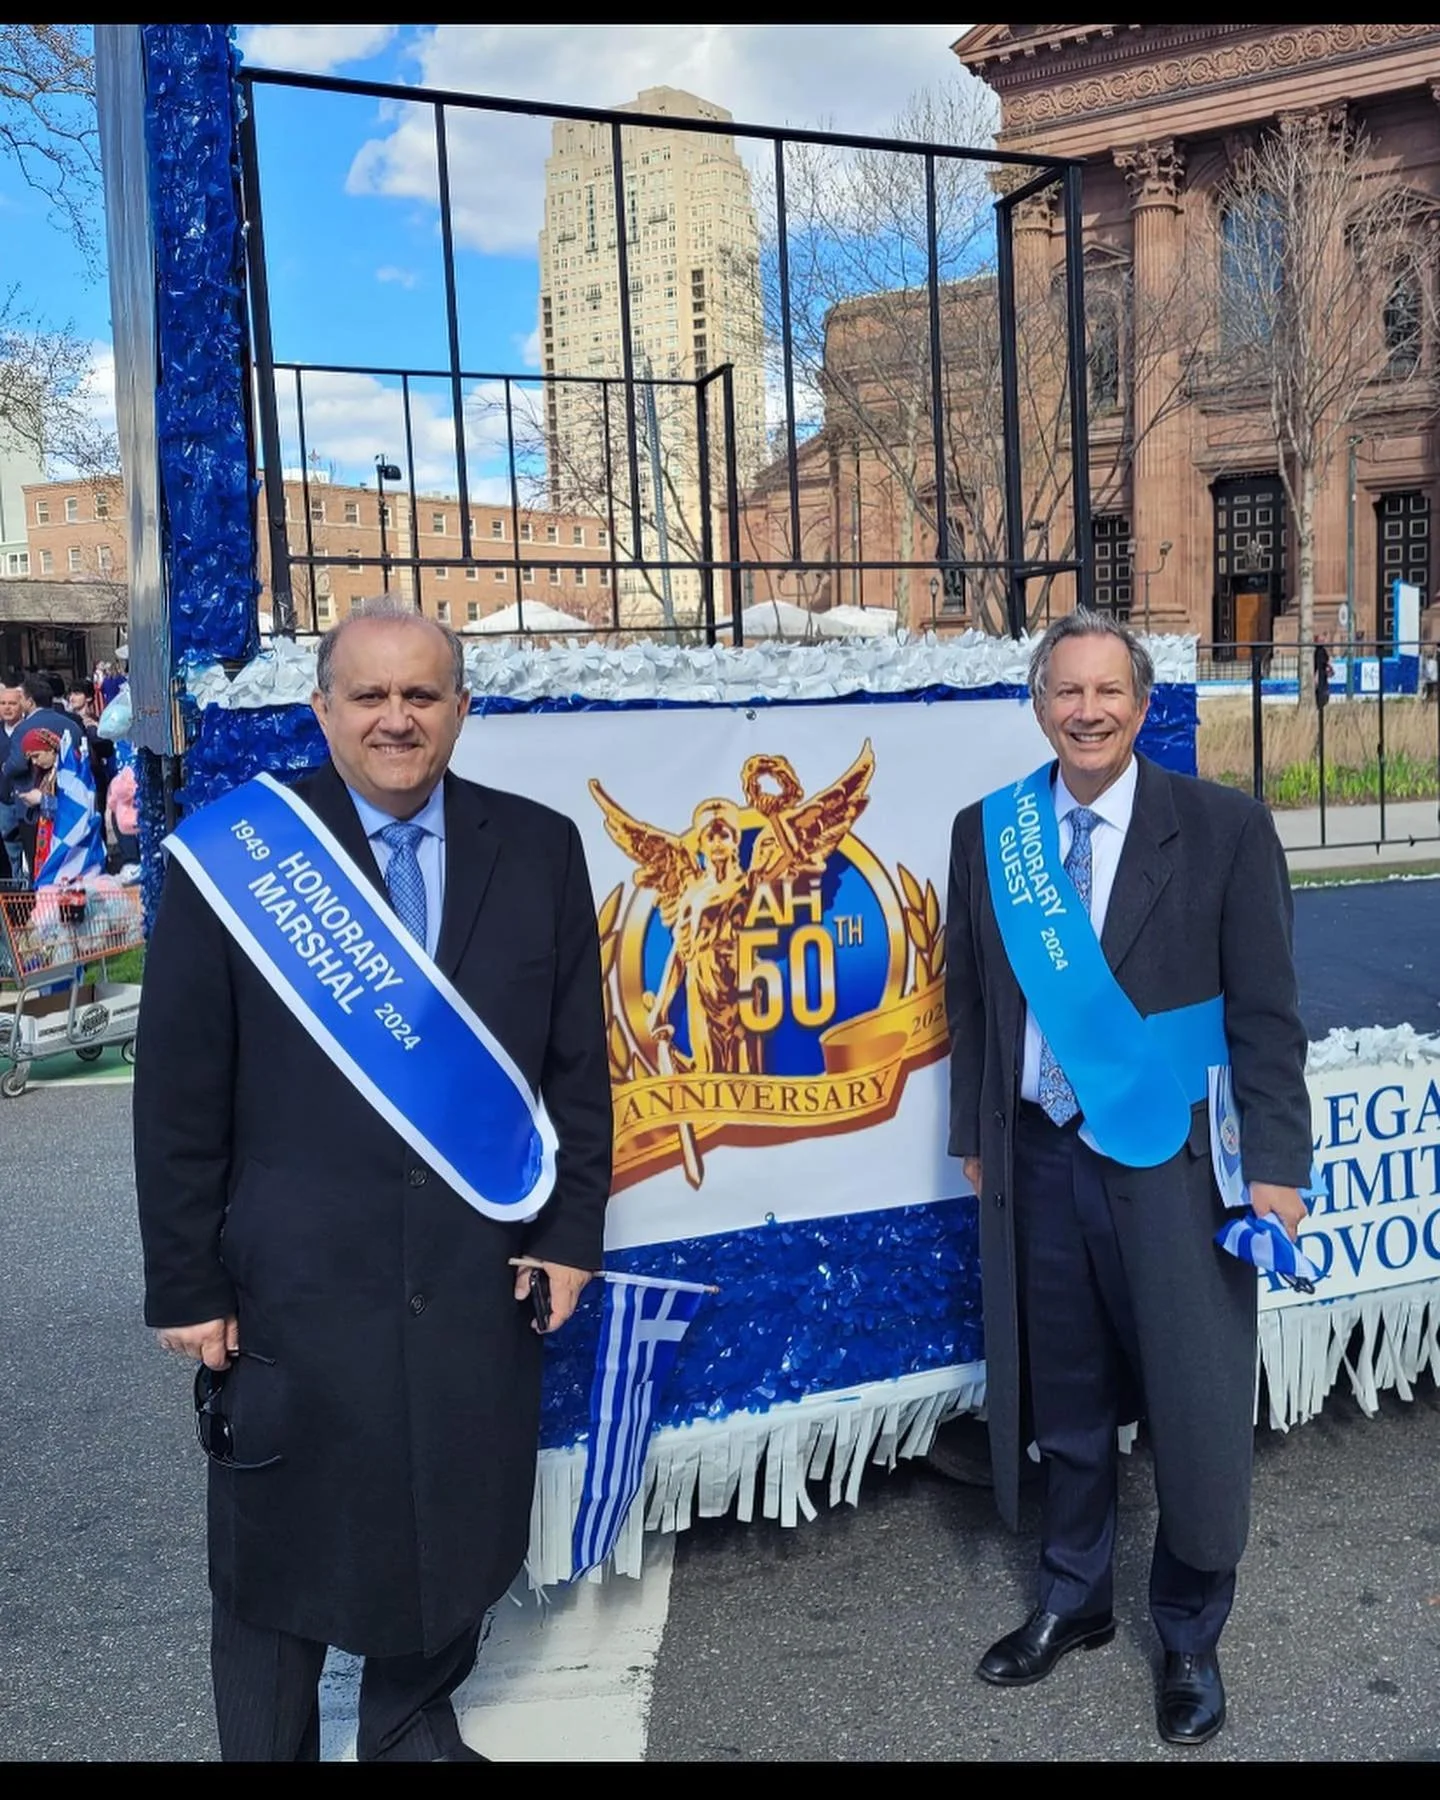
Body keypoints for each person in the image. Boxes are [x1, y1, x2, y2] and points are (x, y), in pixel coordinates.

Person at [132, 600, 613, 1762]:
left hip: (473, 1266)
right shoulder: (240, 857)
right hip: (295, 1282)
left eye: (421, 695)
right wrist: (186, 1281)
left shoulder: (538, 845)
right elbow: (179, 1090)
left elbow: (576, 1068)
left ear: (461, 708)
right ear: (323, 709)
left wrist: (570, 1233)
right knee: (273, 1556)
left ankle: (409, 1724)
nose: (396, 719)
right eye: (369, 695)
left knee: (452, 1516)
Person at [945, 609, 1311, 1749]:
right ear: (1040, 703)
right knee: (1069, 1396)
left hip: (1174, 1165)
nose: (1088, 710)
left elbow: (1267, 1017)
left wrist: (1280, 1170)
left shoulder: (1223, 829)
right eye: (1067, 692)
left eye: (1110, 692)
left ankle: (1191, 1635)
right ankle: (1074, 1596)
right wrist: (975, 1132)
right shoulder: (987, 833)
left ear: (1143, 707)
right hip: (1039, 1156)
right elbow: (967, 1000)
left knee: (1193, 1404)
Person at [0, 684, 26, 879]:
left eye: (12, 703)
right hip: (4, 801)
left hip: (27, 800)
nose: (7, 708)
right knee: (11, 850)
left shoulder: (28, 730)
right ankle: (17, 890)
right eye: (2, 703)